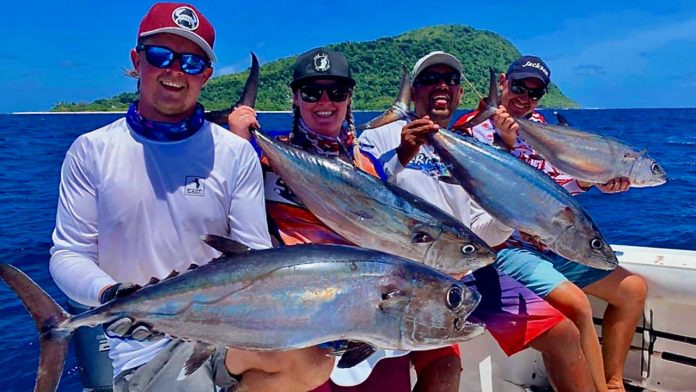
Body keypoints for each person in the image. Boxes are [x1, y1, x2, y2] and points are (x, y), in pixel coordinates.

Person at [49, 3, 333, 391]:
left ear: (207, 75)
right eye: (161, 56)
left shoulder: (234, 154)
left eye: (192, 63)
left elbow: (254, 258)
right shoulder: (92, 150)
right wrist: (109, 293)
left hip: (222, 333)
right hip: (140, 346)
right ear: (137, 60)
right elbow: (68, 254)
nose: (175, 71)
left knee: (314, 362)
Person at [358, 51, 599, 392]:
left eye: (451, 81)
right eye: (430, 79)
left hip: (468, 274)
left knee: (563, 335)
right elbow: (364, 203)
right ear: (412, 91)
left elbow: (481, 227)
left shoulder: (468, 148)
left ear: (458, 94)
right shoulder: (379, 137)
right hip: (409, 278)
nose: (441, 86)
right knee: (444, 372)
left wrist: (509, 215)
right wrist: (399, 157)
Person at [229, 47, 463, 392]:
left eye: (336, 92)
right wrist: (235, 137)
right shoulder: (263, 159)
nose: (325, 101)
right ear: (295, 98)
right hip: (300, 316)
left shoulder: (370, 167)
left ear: (349, 97)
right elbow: (225, 198)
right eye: (312, 91)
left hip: (370, 315)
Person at [452, 55, 648, 392]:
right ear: (502, 82)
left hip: (550, 242)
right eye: (518, 87)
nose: (524, 98)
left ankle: (614, 382)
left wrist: (591, 182)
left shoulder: (540, 126)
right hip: (504, 247)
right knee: (578, 305)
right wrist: (506, 146)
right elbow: (488, 194)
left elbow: (556, 189)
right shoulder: (468, 131)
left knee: (633, 290)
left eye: (534, 92)